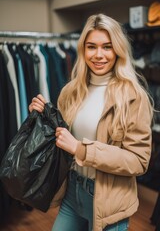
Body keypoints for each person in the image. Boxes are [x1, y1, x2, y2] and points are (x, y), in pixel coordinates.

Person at [29, 14, 153, 231]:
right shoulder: (71, 92)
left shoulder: (133, 96)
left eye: (107, 47)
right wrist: (43, 118)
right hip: (72, 191)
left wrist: (81, 149)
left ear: (117, 50)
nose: (98, 55)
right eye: (91, 46)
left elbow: (138, 161)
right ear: (83, 50)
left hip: (110, 203)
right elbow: (64, 138)